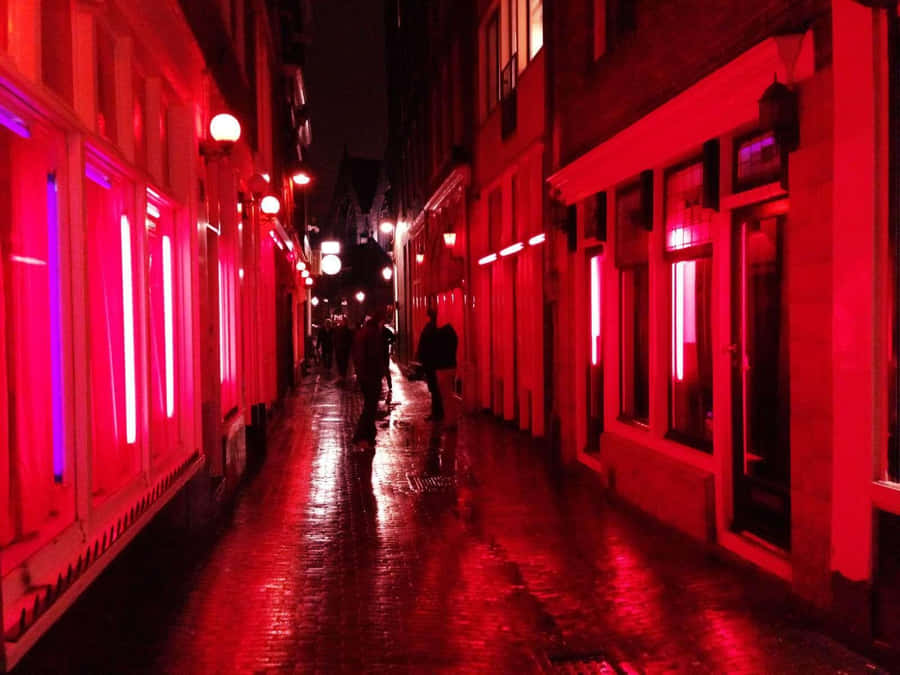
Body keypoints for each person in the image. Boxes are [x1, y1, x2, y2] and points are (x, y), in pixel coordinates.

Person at [351, 308, 386, 449]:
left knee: (369, 405)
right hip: (371, 375)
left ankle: (370, 435)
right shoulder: (373, 334)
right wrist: (380, 372)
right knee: (370, 407)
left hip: (364, 375)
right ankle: (360, 435)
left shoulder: (363, 332)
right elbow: (374, 356)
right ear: (379, 321)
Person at [416, 306, 442, 421]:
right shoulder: (436, 327)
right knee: (435, 389)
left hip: (430, 363)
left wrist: (421, 357)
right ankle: (438, 412)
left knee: (434, 389)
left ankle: (437, 413)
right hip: (434, 362)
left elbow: (423, 344)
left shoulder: (429, 328)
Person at [433, 320, 459, 429]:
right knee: (450, 395)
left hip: (442, 369)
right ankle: (452, 420)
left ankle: (450, 422)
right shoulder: (453, 337)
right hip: (452, 367)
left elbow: (435, 352)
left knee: (446, 397)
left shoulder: (440, 338)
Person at [333, 316, 354, 381]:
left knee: (343, 362)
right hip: (341, 348)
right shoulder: (339, 330)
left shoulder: (347, 330)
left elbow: (350, 340)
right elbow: (335, 338)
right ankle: (342, 374)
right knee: (341, 362)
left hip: (343, 349)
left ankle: (342, 375)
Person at [381, 322, 396, 399]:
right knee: (384, 370)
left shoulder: (384, 330)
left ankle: (389, 385)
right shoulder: (383, 330)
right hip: (381, 353)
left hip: (383, 353)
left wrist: (388, 342)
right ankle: (388, 385)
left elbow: (394, 337)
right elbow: (393, 338)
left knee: (386, 370)